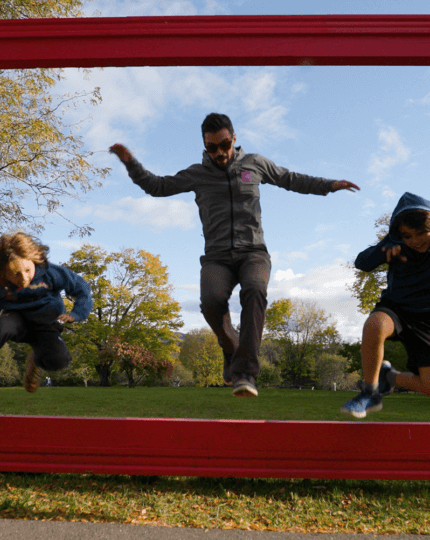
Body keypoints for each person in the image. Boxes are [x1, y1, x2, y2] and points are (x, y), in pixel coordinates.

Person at [109, 113, 359, 398]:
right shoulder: (197, 174)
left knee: (254, 291)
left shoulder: (255, 164)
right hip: (217, 256)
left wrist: (329, 185)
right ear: (205, 147)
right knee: (211, 302)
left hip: (253, 252)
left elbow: (291, 179)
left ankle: (245, 373)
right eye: (211, 148)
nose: (219, 153)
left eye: (224, 145)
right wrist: (130, 162)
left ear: (234, 139)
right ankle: (231, 347)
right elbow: (157, 186)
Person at [340, 192, 430, 418]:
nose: (416, 240)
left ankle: (389, 377)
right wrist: (385, 248)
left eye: (422, 233)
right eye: (408, 236)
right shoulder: (395, 242)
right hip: (396, 309)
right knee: (374, 325)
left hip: (426, 318)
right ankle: (370, 393)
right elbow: (362, 263)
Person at [0, 232, 93, 400]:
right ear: (3, 273)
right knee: (0, 327)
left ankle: (36, 359)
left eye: (27, 270)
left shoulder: (51, 272)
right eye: (15, 274)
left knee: (59, 361)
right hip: (17, 321)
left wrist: (77, 313)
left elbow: (82, 288)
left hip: (45, 324)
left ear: (34, 261)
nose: (23, 278)